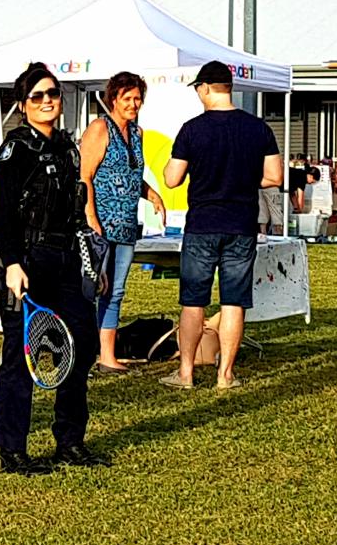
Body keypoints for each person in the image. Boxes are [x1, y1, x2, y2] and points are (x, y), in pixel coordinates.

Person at [0, 63, 105, 475]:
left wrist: (90, 263)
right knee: (20, 358)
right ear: (23, 105)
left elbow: (75, 214)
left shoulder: (66, 148)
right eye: (37, 96)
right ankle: (12, 449)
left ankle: (70, 440)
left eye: (52, 93)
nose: (47, 102)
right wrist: (13, 264)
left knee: (82, 346)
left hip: (67, 260)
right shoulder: (15, 150)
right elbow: (1, 212)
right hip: (28, 259)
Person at [162, 60, 282, 390]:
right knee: (234, 301)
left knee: (193, 301)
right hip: (242, 223)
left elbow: (172, 179)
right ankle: (225, 375)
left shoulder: (192, 129)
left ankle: (186, 373)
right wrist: (242, 178)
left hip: (202, 224)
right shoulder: (259, 129)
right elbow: (275, 177)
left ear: (205, 88)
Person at [79, 71, 166, 374]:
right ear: (113, 99)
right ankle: (82, 353)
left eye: (138, 98)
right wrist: (91, 218)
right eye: (127, 98)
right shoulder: (100, 129)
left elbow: (130, 174)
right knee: (91, 290)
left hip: (127, 226)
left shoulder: (138, 134)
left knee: (115, 292)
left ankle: (106, 356)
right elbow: (85, 176)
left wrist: (151, 194)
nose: (133, 104)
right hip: (100, 225)